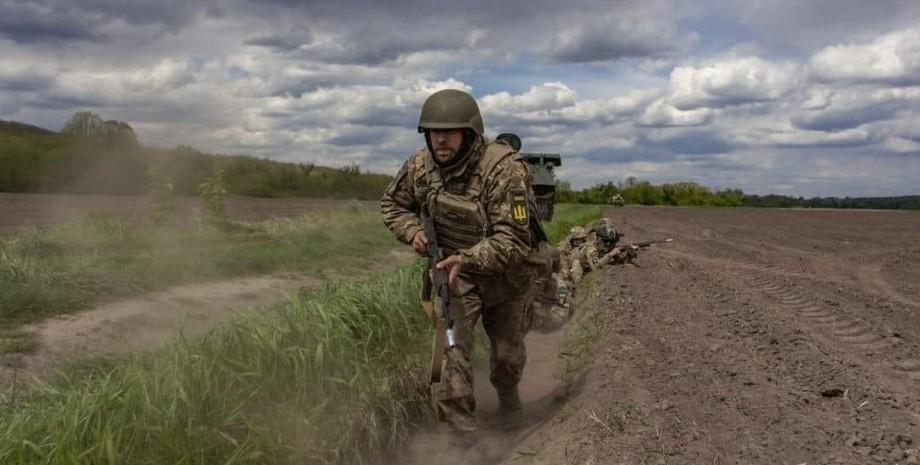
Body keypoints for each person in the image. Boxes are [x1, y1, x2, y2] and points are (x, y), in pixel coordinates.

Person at [380, 88, 547, 448]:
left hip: (508, 276)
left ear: (469, 133)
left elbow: (514, 241)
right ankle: (462, 443)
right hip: (455, 278)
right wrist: (413, 233)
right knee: (447, 354)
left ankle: (508, 399)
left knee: (506, 358)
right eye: (433, 131)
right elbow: (393, 204)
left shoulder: (504, 169)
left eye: (450, 131)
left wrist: (466, 257)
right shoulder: (419, 167)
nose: (440, 138)